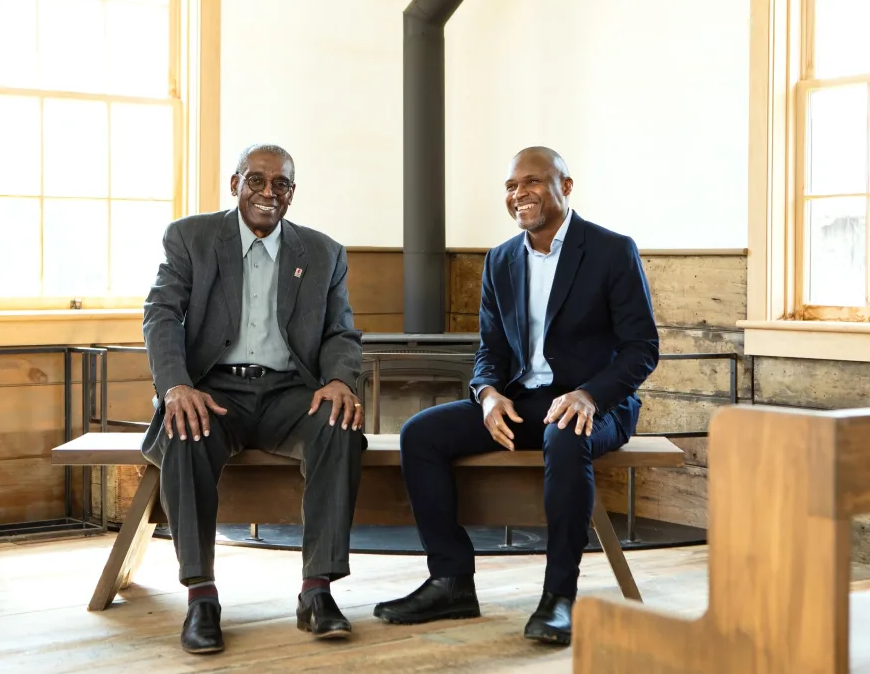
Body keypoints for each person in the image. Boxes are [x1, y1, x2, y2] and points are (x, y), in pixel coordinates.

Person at [373, 146, 659, 645]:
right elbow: (491, 350)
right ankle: (451, 580)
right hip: (522, 402)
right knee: (421, 434)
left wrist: (589, 395)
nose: (519, 193)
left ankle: (558, 598)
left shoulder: (612, 251)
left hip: (597, 404)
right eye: (510, 186)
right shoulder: (501, 260)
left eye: (532, 181)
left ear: (565, 187)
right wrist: (485, 394)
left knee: (567, 433)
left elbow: (642, 349)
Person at [141, 144, 366, 655]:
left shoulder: (324, 251)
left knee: (341, 424)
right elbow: (160, 315)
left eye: (280, 184)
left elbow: (341, 332)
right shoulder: (191, 237)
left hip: (292, 392)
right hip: (215, 390)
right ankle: (201, 598)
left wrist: (339, 381)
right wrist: (175, 386)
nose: (268, 192)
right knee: (183, 429)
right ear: (234, 182)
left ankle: (317, 592)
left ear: (292, 192)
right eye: (256, 180)